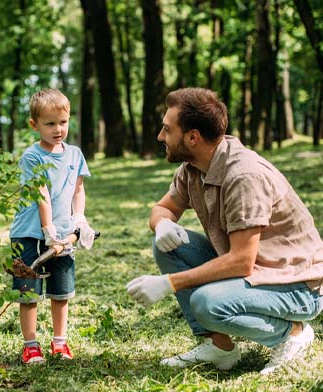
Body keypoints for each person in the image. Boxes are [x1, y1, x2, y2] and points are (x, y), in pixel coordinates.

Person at [126, 87, 323, 374]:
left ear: (192, 137)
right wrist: (163, 224)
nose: (160, 136)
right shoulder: (194, 166)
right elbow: (162, 209)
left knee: (206, 303)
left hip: (296, 286)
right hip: (257, 269)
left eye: (167, 130)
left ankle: (292, 334)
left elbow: (242, 261)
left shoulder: (243, 175)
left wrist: (169, 283)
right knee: (166, 245)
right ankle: (219, 347)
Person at [10, 88, 95, 364]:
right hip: (31, 235)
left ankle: (60, 343)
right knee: (29, 294)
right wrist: (49, 233)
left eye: (63, 122)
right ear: (34, 125)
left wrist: (79, 219)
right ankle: (30, 345)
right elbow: (41, 195)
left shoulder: (74, 154)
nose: (58, 129)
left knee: (62, 292)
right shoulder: (32, 157)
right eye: (49, 124)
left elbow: (78, 190)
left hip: (63, 236)